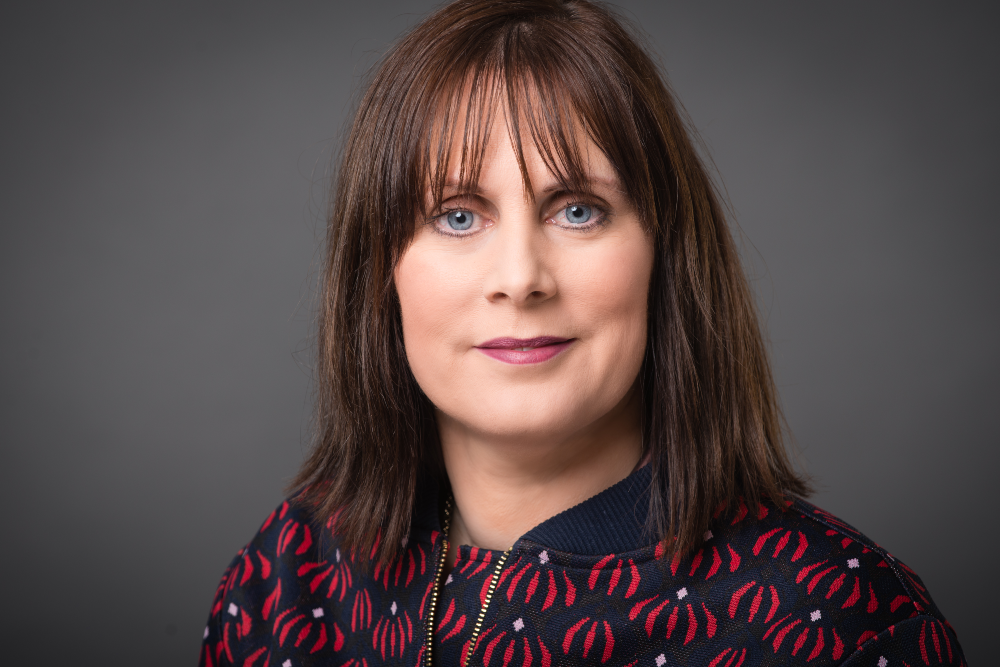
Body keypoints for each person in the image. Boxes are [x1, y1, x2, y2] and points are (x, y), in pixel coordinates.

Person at [199, 1, 964, 665]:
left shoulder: (842, 621)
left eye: (577, 210)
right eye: (458, 215)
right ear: (380, 271)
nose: (521, 276)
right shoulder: (290, 579)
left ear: (665, 255)